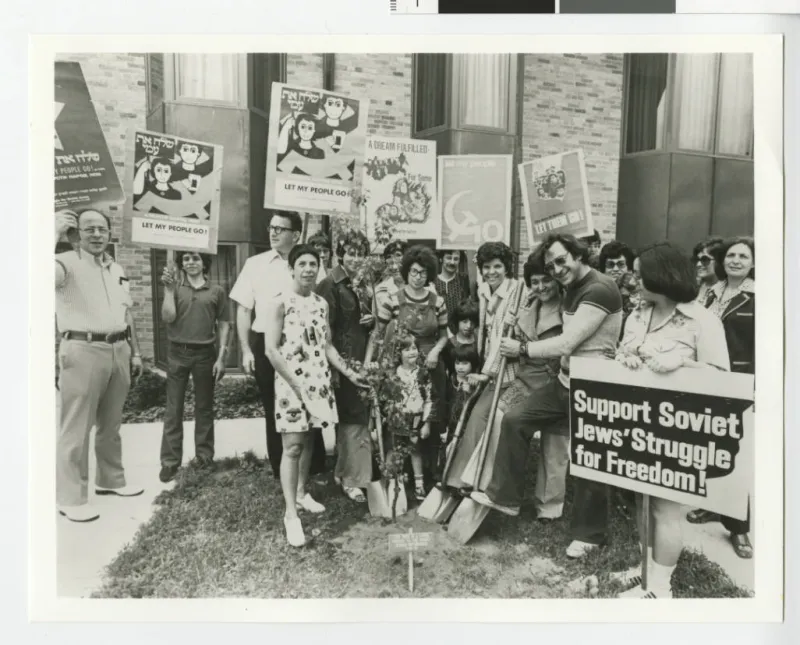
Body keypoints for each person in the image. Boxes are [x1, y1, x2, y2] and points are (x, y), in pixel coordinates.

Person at [472, 234, 622, 558]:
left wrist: (522, 348)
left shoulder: (599, 288)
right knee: (515, 419)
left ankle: (589, 535)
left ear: (578, 254)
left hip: (595, 386)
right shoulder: (571, 288)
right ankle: (506, 498)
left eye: (561, 259)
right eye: (551, 263)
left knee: (588, 461)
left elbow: (567, 343)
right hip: (567, 382)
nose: (556, 268)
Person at [612, 242, 730, 598]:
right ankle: (647, 567)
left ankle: (660, 588)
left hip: (677, 428)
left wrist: (683, 364)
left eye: (639, 272)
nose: (633, 279)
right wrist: (625, 359)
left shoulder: (702, 321)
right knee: (640, 498)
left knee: (664, 506)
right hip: (637, 423)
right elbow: (624, 350)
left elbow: (721, 378)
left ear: (663, 276)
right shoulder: (636, 313)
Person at [263, 245, 366, 547]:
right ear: (292, 268)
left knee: (309, 438)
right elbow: (271, 349)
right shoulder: (279, 303)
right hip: (290, 384)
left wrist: (349, 373)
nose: (308, 269)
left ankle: (300, 493)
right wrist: (296, 386)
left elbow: (328, 346)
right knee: (292, 446)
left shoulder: (321, 303)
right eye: (302, 264)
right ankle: (290, 515)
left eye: (313, 264)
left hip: (318, 381)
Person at [460, 246, 569, 521]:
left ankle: (549, 506)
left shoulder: (569, 309)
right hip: (527, 379)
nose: (542, 286)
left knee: (554, 444)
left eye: (547, 280)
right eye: (535, 282)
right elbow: (506, 338)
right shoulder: (529, 304)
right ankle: (485, 484)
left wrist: (520, 346)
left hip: (556, 381)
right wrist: (512, 321)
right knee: (499, 419)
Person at [55, 209, 145, 522]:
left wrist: (135, 352)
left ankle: (111, 480)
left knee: (111, 423)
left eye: (102, 229)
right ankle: (71, 498)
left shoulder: (116, 267)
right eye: (89, 229)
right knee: (76, 425)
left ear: (110, 233)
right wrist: (51, 234)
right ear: (75, 233)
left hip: (118, 347)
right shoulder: (64, 263)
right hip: (83, 347)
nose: (96, 235)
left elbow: (127, 311)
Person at [230, 211, 326, 480]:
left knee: (310, 401)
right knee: (275, 405)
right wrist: (247, 350)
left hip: (305, 346)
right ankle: (280, 468)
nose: (272, 233)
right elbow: (242, 309)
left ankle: (314, 467)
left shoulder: (309, 263)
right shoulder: (255, 264)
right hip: (267, 345)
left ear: (295, 234)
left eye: (280, 229)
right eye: (271, 227)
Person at [687, 236, 755, 559]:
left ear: (754, 262)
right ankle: (710, 504)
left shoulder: (759, 297)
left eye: (744, 255)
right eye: (731, 255)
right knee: (708, 446)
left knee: (737, 457)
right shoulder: (711, 293)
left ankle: (739, 528)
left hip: (741, 385)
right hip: (708, 379)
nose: (736, 260)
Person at [442, 242, 525, 494]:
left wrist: (486, 373)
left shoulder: (515, 294)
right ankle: (461, 478)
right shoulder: (485, 292)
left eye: (497, 266)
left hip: (508, 374)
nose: (492, 272)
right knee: (473, 418)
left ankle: (472, 481)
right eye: (486, 267)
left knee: (485, 420)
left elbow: (503, 340)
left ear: (506, 267)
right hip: (488, 371)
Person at [373, 245, 449, 492]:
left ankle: (429, 472)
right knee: (400, 418)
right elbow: (379, 333)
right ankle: (399, 473)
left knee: (429, 419)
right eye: (414, 272)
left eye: (423, 273)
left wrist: (436, 352)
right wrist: (378, 364)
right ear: (406, 272)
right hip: (401, 367)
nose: (418, 277)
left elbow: (445, 335)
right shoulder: (392, 300)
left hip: (429, 364)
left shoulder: (438, 302)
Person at [158, 251, 232, 483]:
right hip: (177, 352)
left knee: (204, 407)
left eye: (196, 258)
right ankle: (170, 462)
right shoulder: (175, 288)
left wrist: (221, 357)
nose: (190, 262)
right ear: (181, 264)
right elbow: (168, 317)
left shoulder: (216, 291)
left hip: (204, 354)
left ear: (204, 263)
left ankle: (204, 457)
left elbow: (224, 324)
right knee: (174, 409)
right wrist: (169, 291)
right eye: (186, 259)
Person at [315, 229, 374, 503]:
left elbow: (361, 323)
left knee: (355, 417)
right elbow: (326, 333)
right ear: (341, 253)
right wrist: (343, 368)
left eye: (361, 254)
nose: (355, 258)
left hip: (362, 358)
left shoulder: (361, 283)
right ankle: (353, 481)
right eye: (351, 252)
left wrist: (370, 320)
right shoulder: (330, 284)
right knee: (353, 419)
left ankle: (343, 471)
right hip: (343, 362)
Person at [393, 336, 434, 500]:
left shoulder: (423, 373)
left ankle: (419, 485)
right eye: (406, 349)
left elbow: (429, 400)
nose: (412, 352)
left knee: (415, 449)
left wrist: (427, 423)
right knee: (397, 449)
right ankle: (397, 483)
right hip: (398, 417)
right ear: (399, 353)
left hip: (416, 417)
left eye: (414, 348)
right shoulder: (395, 373)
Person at [440, 298, 480, 376]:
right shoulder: (450, 344)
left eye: (472, 322)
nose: (468, 326)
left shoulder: (479, 341)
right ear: (457, 321)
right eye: (464, 322)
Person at [435, 250, 471, 319]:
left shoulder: (463, 280)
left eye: (456, 259)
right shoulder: (433, 282)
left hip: (458, 327)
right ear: (441, 259)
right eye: (449, 258)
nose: (452, 262)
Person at [691, 237, 724, 305]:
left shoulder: (727, 291)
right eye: (697, 260)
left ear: (719, 261)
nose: (698, 264)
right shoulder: (693, 287)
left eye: (705, 260)